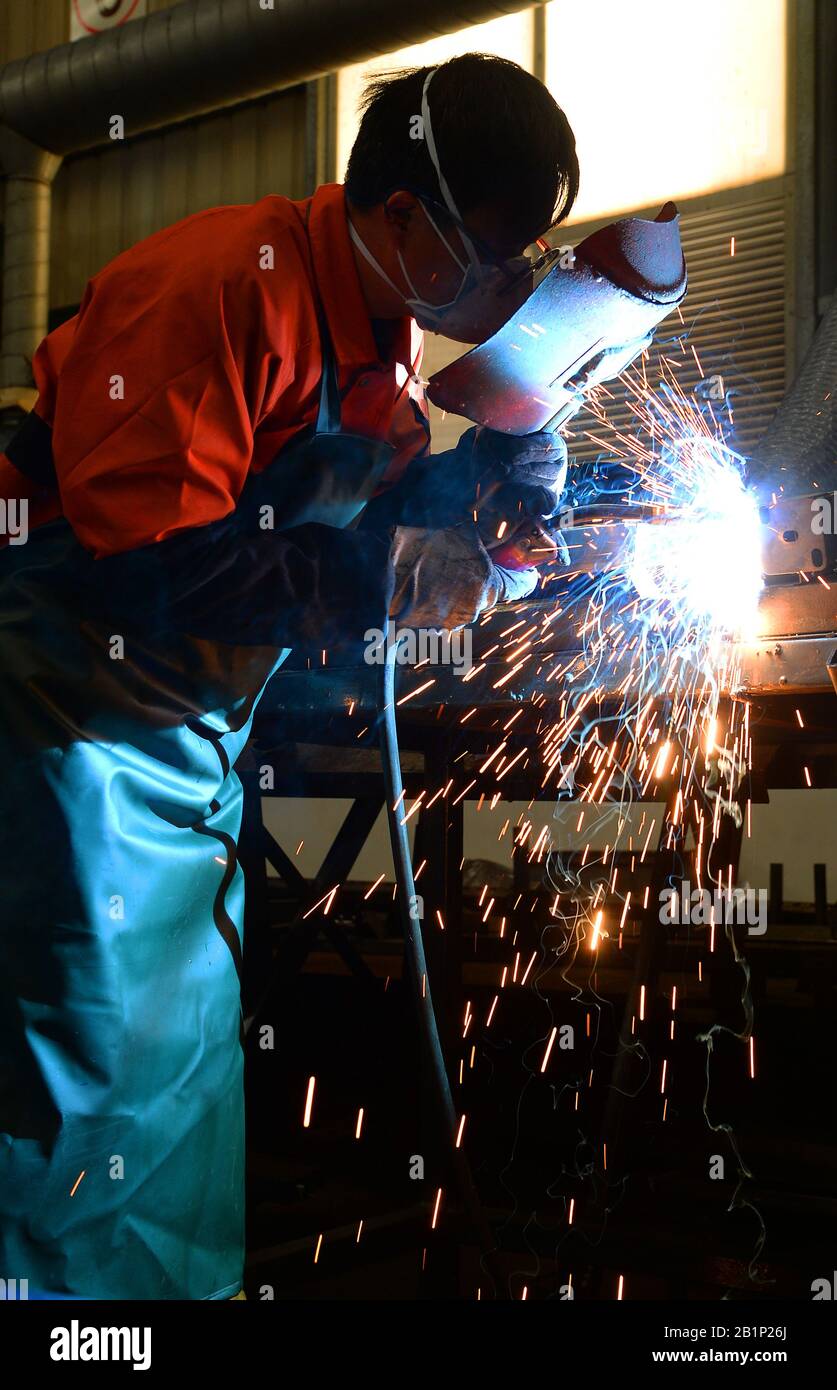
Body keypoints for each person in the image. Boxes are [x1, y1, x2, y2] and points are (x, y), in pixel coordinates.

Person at [0, 53, 578, 1300]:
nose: (507, 280)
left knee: (180, 1067)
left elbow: (329, 507)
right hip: (70, 712)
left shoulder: (381, 327)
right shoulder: (218, 287)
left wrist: (490, 478)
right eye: (492, 250)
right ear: (408, 219)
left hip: (187, 737)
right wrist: (388, 583)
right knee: (79, 1061)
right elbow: (146, 562)